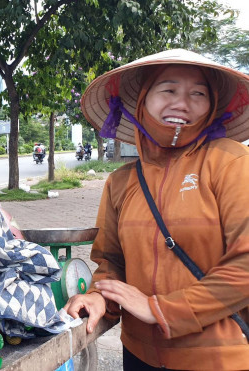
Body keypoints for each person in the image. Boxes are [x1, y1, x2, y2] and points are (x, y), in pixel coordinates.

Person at [65, 49, 249, 370]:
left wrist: (162, 309)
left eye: (198, 93)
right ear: (143, 100)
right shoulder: (121, 181)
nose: (182, 102)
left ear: (212, 104)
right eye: (169, 90)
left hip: (218, 357)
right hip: (138, 355)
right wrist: (99, 296)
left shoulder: (231, 162)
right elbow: (110, 262)